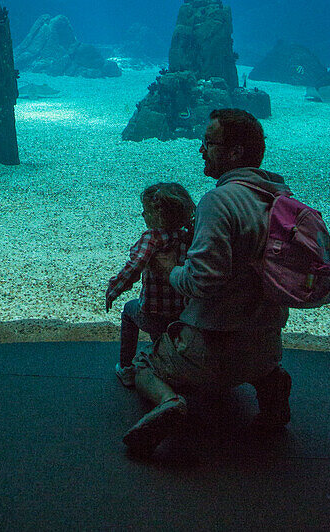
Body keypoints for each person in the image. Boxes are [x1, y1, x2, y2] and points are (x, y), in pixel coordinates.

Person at [122, 108, 293, 458]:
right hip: (266, 345)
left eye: (209, 142)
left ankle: (169, 402)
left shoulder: (218, 201)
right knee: (260, 365)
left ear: (235, 153)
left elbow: (203, 280)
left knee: (142, 364)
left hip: (212, 352)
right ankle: (272, 387)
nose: (201, 149)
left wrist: (169, 270)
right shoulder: (280, 197)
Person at [106, 182, 195, 387]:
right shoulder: (189, 236)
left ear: (159, 214)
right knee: (163, 337)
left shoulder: (152, 237)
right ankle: (165, 367)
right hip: (182, 314)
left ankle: (126, 368)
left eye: (145, 211)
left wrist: (114, 289)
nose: (143, 215)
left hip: (153, 312)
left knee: (129, 311)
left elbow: (134, 267)